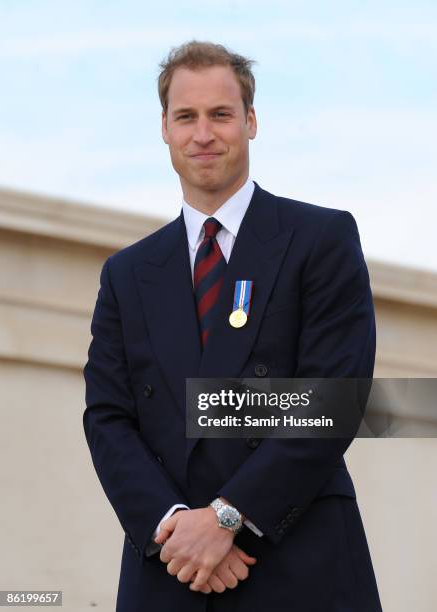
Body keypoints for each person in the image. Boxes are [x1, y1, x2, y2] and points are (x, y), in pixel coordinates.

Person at [83, 40, 383, 612]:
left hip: (298, 565)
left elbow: (333, 400)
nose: (203, 134)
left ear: (250, 121)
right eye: (186, 117)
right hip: (169, 571)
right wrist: (175, 529)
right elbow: (108, 418)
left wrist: (228, 518)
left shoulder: (319, 239)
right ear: (165, 129)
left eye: (220, 114)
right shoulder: (126, 274)